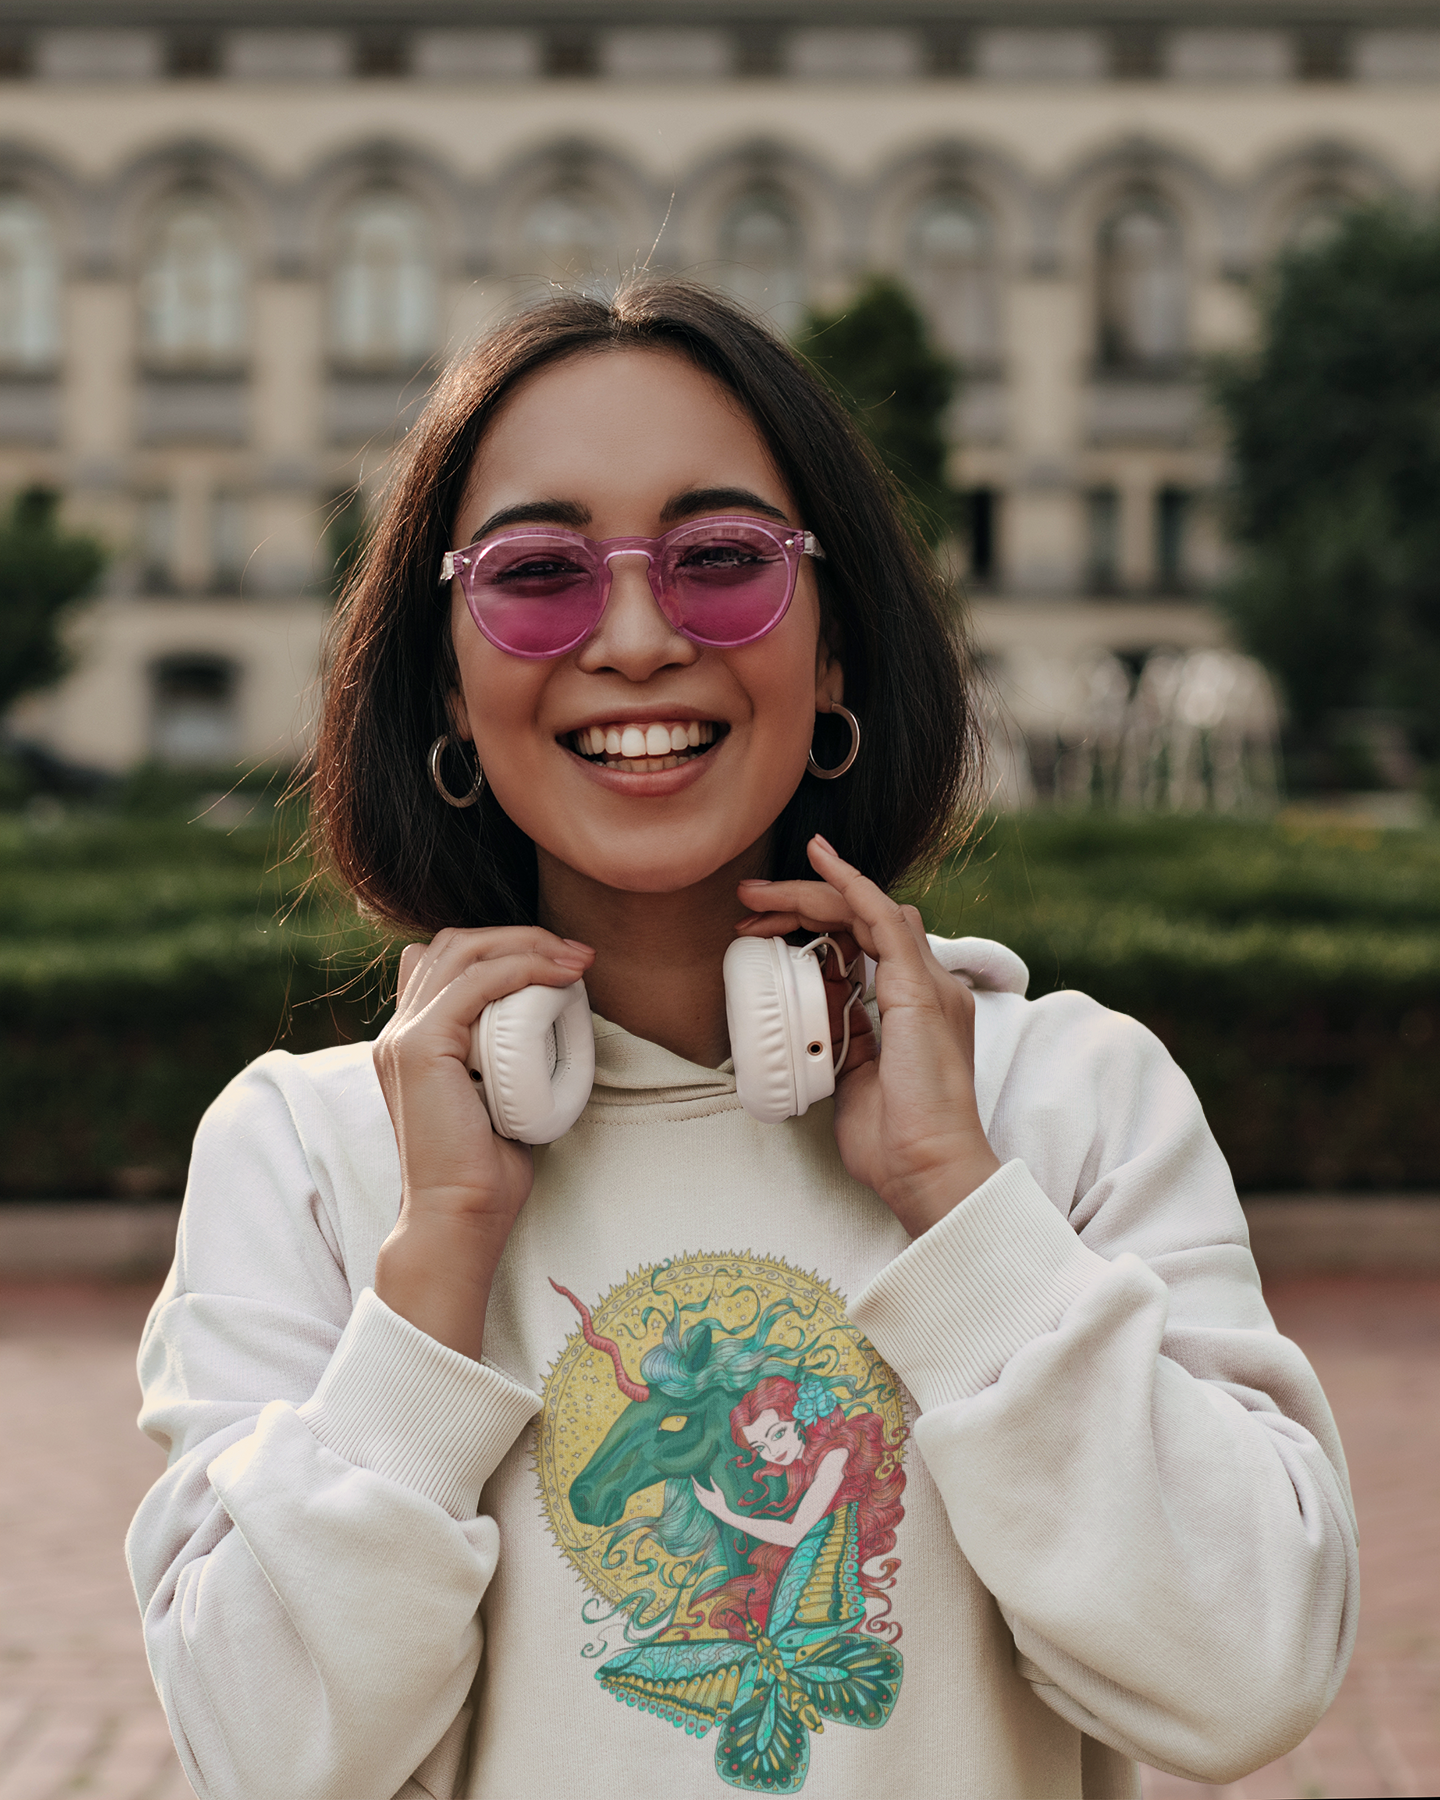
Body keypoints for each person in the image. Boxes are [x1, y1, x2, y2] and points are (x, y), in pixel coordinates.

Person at [126, 278, 1356, 1800]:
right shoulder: (307, 1157)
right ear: (446, 681)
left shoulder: (1063, 1100)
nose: (637, 637)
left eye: (721, 560)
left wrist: (963, 1208)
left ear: (834, 651)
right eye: (538, 573)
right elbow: (261, 1762)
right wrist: (435, 1261)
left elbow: (1247, 1678)